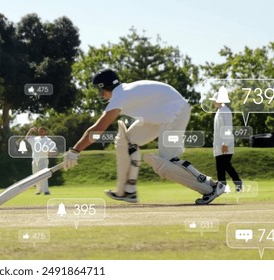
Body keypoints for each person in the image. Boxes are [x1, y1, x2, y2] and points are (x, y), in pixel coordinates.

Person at [63, 69, 225, 204]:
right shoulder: (124, 91)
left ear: (103, 87)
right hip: (158, 115)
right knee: (125, 141)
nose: (100, 94)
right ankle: (128, 191)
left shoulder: (119, 96)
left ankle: (211, 187)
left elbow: (98, 129)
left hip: (175, 112)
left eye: (99, 90)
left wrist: (75, 150)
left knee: (167, 162)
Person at [210, 86, 242, 192]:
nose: (213, 102)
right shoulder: (219, 111)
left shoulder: (225, 111)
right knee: (220, 167)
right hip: (219, 145)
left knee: (226, 166)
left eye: (215, 100)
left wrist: (225, 143)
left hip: (224, 145)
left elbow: (227, 128)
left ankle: (237, 183)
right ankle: (222, 188)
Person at [25, 127, 57, 195]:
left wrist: (51, 152)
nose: (41, 132)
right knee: (35, 176)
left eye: (42, 131)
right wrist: (30, 130)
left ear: (45, 132)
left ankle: (46, 191)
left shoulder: (48, 140)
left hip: (43, 160)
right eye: (40, 131)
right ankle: (38, 190)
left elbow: (54, 149)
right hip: (35, 160)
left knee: (44, 174)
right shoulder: (35, 139)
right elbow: (27, 138)